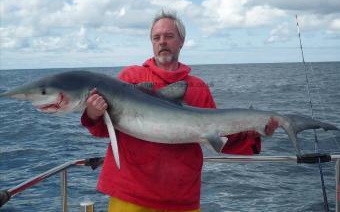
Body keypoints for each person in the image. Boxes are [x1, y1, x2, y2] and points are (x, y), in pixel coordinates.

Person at [81, 11, 272, 212]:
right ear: (152, 42)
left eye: (169, 36)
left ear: (181, 41)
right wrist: (93, 114)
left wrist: (255, 132)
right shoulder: (129, 78)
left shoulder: (198, 87)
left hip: (180, 197)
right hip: (131, 193)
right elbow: (105, 130)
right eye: (157, 37)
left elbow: (220, 136)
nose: (162, 42)